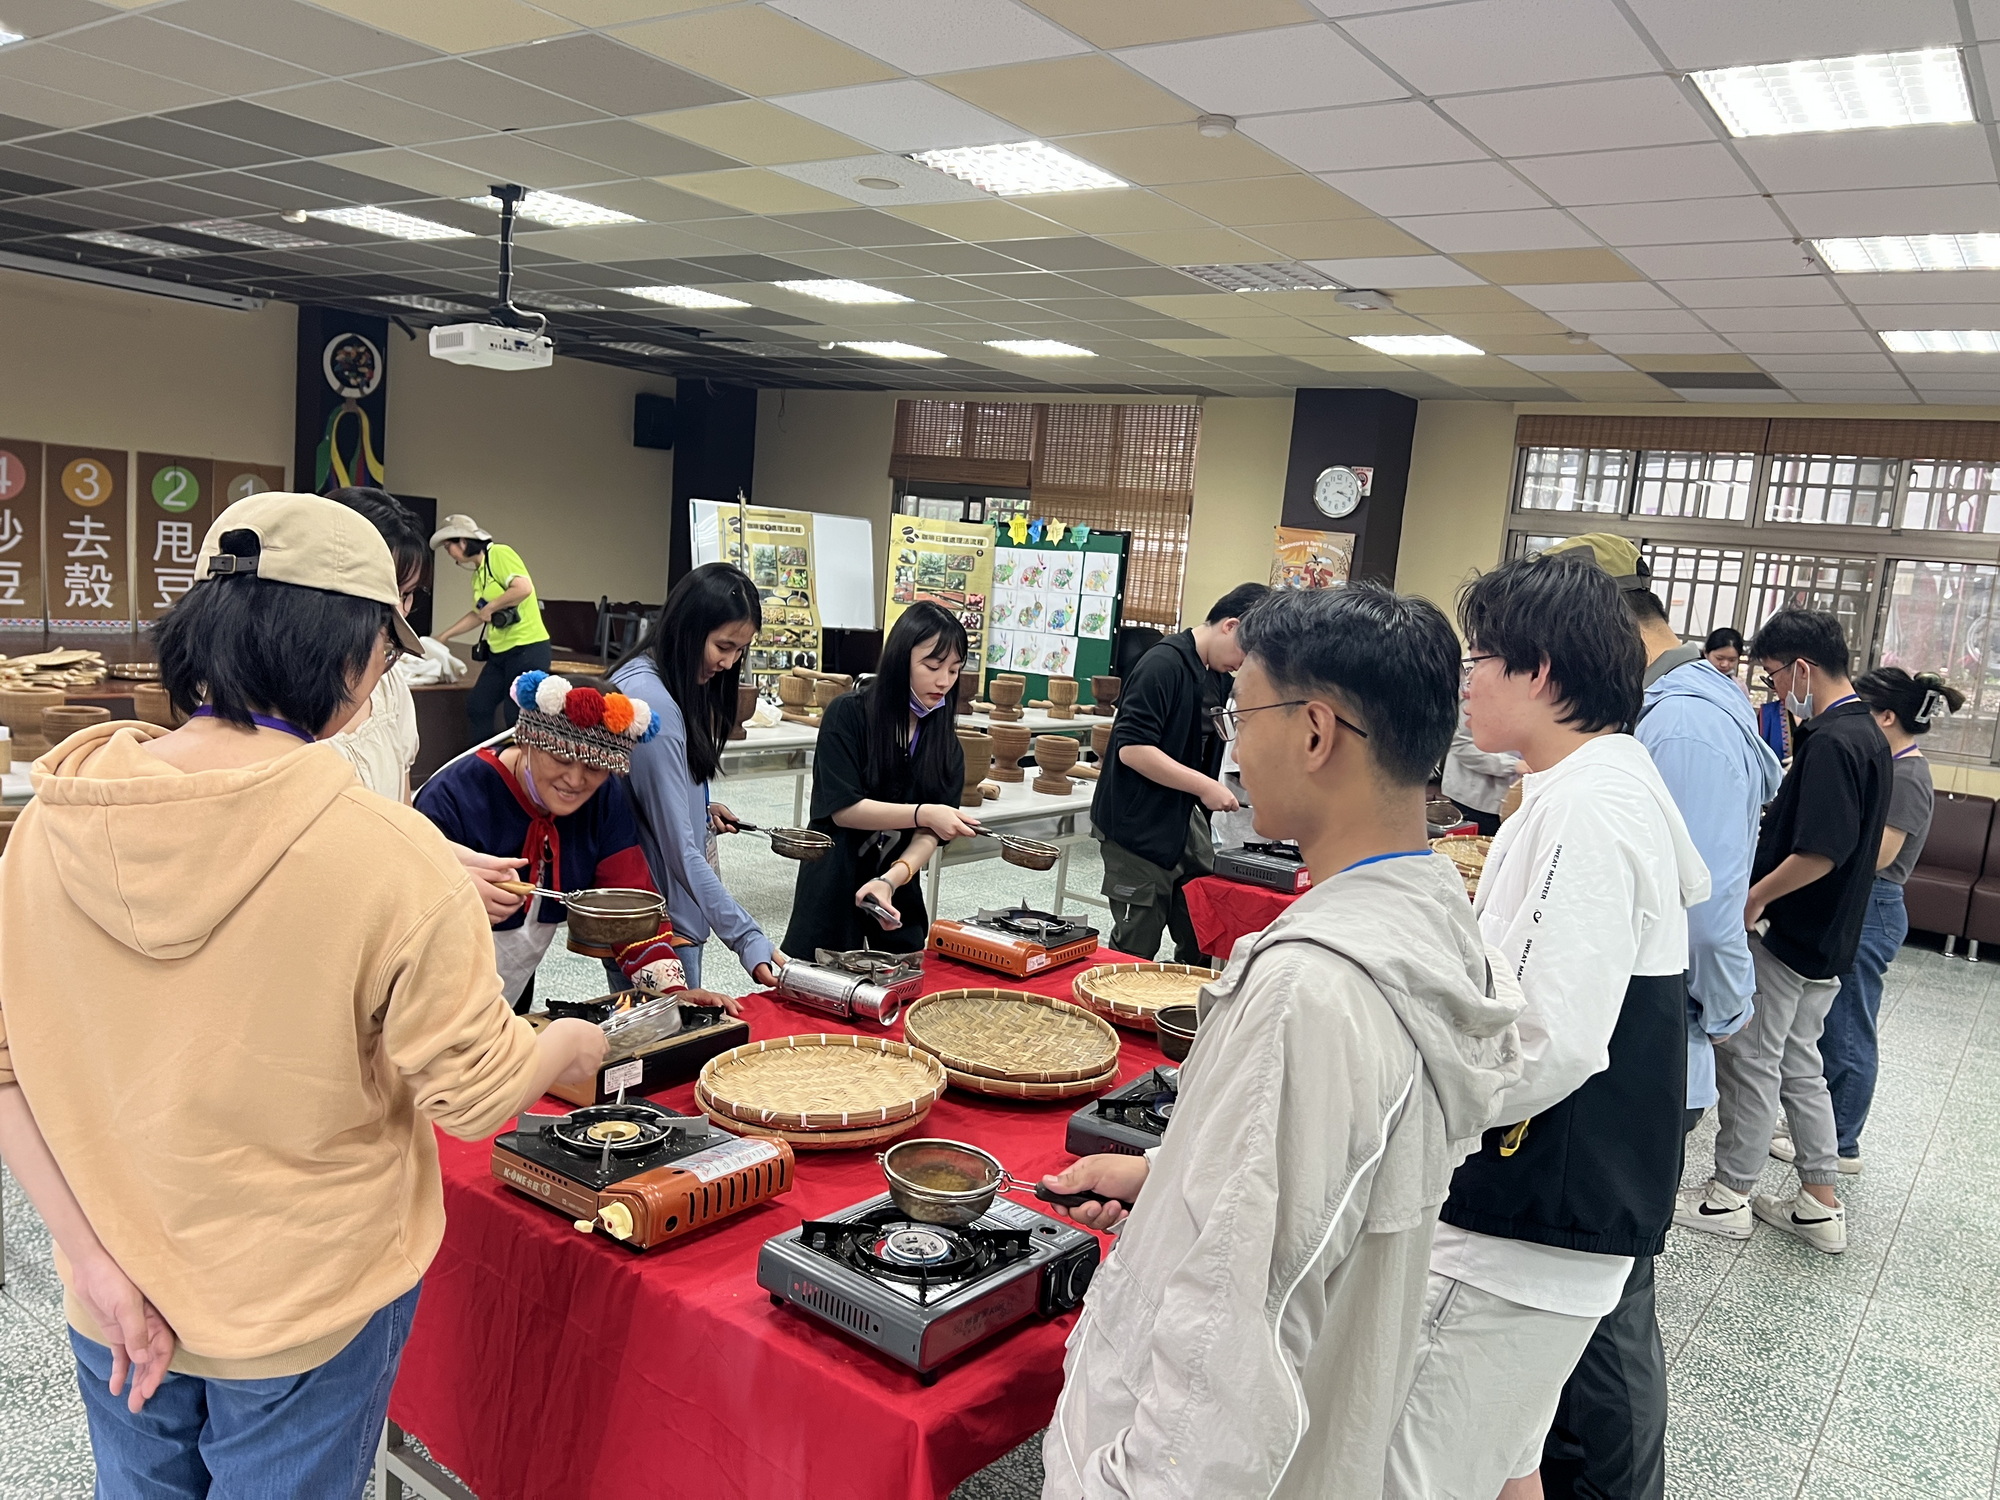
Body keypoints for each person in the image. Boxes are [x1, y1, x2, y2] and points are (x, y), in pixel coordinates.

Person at [0, 492, 606, 1499]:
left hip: (112, 1289)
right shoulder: (389, 855)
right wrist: (568, 1045)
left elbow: (8, 1069)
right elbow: (472, 1094)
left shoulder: (46, 830)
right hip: (304, 1304)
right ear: (351, 656)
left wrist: (92, 1260)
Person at [1037, 584, 1523, 1500]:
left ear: (1314, 732)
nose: (1234, 742)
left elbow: (1227, 1349)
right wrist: (1168, 1176)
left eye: (1242, 713)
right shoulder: (1434, 924)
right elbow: (1318, 1193)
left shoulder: (1312, 992)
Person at [1385, 553, 1708, 1500]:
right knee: (1506, 1465)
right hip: (1549, 1218)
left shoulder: (1589, 808)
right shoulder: (1587, 785)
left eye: (1479, 659)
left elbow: (1544, 1040)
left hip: (1523, 1220)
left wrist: (1406, 1118)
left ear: (1541, 670)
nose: (1467, 682)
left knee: (1414, 1470)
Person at [1536, 536, 1780, 1500]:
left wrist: (1722, 1017)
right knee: (1590, 1295)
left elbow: (1706, 914)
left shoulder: (1676, 723)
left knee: (1608, 1301)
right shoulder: (1675, 705)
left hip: (1649, 1051)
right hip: (1637, 1037)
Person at [1677, 609, 1889, 1255]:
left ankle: (1728, 1194)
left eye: (1772, 676)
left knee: (1750, 1061)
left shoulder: (1830, 742)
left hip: (1789, 932)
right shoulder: (1870, 733)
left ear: (1801, 667)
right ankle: (1820, 1203)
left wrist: (1754, 897)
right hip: (1830, 938)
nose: (1774, 690)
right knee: (1801, 1065)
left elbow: (1821, 849)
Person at [1771, 667, 1958, 1177]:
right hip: (1861, 901)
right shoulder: (1887, 763)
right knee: (1827, 1023)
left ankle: (1843, 1142)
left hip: (1874, 906)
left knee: (1849, 1028)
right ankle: (1822, 1126)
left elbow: (1880, 855)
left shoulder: (1908, 775)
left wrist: (1824, 846)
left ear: (1887, 717)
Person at [416, 670, 680, 1013]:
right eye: (561, 758)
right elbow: (403, 908)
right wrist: (453, 896)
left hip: (511, 991)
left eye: (594, 767)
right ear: (526, 741)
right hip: (429, 990)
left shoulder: (603, 800)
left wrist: (676, 995)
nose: (575, 780)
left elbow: (630, 907)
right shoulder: (453, 795)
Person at [613, 562, 783, 989]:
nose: (729, 662)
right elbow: (679, 851)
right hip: (664, 926)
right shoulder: (653, 706)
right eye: (723, 646)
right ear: (687, 628)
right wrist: (746, 936)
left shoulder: (649, 678)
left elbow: (642, 799)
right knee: (671, 1030)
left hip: (657, 913)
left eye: (740, 650)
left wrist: (696, 808)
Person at [782, 601, 978, 958]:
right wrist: (923, 812)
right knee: (820, 978)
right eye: (932, 666)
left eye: (954, 670)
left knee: (898, 978)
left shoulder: (944, 743)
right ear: (900, 659)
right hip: (834, 878)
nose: (944, 681)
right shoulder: (849, 714)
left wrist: (892, 878)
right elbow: (844, 809)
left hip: (896, 891)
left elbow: (930, 833)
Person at [1093, 583, 1268, 962]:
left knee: (1202, 930)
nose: (1244, 665)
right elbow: (1133, 750)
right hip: (1137, 823)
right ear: (1231, 626)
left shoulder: (1215, 674)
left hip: (1184, 818)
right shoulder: (1163, 664)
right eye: (1249, 652)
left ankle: (1188, 997)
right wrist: (1204, 785)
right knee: (1136, 946)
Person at [325, 487, 426, 800]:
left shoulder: (390, 686)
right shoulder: (271, 693)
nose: (398, 611)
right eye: (386, 589)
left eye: (407, 594)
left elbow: (402, 807)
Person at [431, 513, 552, 740]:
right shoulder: (478, 575)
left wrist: (493, 606)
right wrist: (444, 636)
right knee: (479, 705)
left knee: (515, 714)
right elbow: (479, 614)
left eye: (448, 546)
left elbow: (523, 588)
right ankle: (485, 755)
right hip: (500, 652)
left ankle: (516, 760)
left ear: (463, 541)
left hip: (527, 648)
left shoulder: (499, 554)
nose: (448, 552)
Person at [1441, 700, 1521, 837]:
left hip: (1517, 800)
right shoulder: (1477, 695)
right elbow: (1460, 744)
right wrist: (1512, 765)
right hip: (1475, 797)